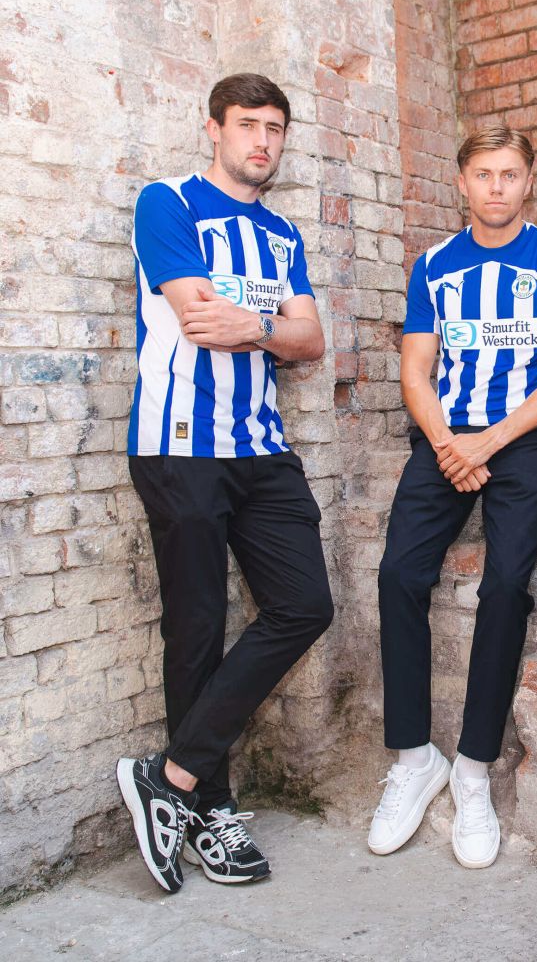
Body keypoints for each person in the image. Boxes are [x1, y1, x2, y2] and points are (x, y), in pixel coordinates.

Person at [117, 73, 333, 892]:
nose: (263, 141)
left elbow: (312, 342)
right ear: (214, 129)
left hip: (261, 446)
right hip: (180, 444)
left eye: (275, 128)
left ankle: (167, 778)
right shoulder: (167, 202)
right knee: (198, 628)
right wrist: (273, 328)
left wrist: (258, 327)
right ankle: (209, 808)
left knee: (304, 605)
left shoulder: (281, 235)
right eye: (248, 125)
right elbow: (198, 315)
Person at [369, 126, 537, 869]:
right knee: (399, 574)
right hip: (445, 436)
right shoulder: (435, 266)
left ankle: (472, 770)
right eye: (484, 174)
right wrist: (448, 445)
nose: (497, 187)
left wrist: (487, 444)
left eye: (510, 174)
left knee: (503, 587)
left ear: (529, 181)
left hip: (523, 439)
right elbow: (416, 371)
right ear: (461, 182)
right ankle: (414, 759)